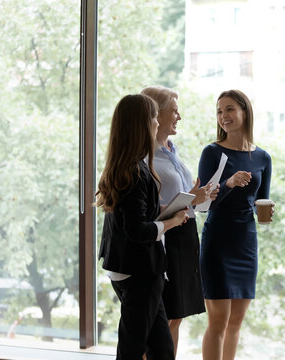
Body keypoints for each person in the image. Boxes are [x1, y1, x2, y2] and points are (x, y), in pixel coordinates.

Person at [96, 94, 188, 360]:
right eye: (154, 118)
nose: (158, 123)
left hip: (127, 267)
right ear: (143, 124)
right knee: (132, 348)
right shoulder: (136, 171)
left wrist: (162, 211)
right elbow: (137, 230)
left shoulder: (122, 167)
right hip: (140, 271)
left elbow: (132, 215)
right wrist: (171, 221)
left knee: (161, 349)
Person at [141, 85, 218, 358]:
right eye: (174, 110)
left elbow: (182, 198)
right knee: (157, 321)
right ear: (156, 114)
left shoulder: (171, 149)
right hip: (164, 239)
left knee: (176, 317)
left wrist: (200, 196)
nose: (179, 116)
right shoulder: (143, 155)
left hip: (185, 237)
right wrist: (190, 198)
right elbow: (147, 211)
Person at [198, 89, 272, 360]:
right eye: (219, 111)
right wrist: (227, 184)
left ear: (244, 112)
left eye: (229, 109)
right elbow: (203, 204)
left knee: (236, 322)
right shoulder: (211, 152)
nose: (223, 116)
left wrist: (267, 210)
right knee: (218, 321)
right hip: (218, 239)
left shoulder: (263, 157)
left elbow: (261, 200)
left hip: (246, 240)